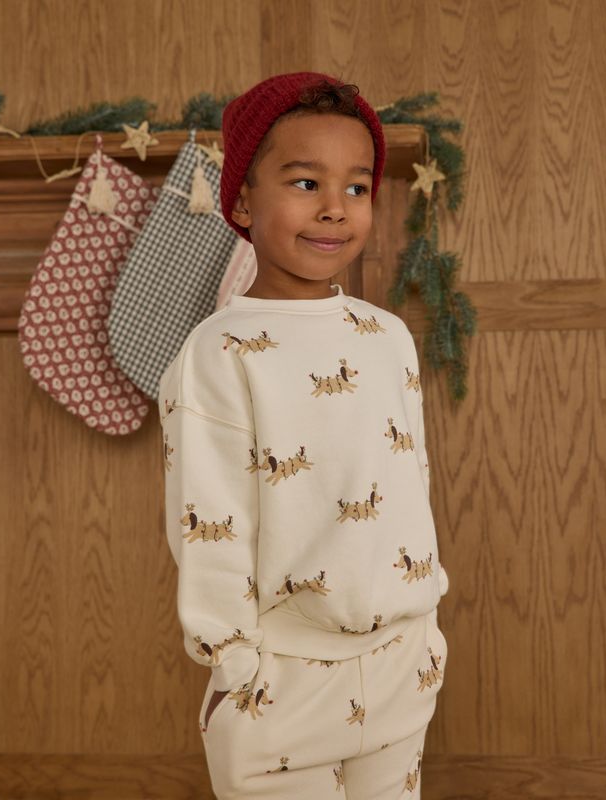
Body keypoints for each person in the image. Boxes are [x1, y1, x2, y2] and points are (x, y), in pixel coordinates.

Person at [158, 71, 450, 799]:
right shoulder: (218, 352)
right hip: (280, 681)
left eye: (356, 188)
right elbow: (210, 520)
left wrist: (427, 625)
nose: (333, 210)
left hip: (400, 662)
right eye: (304, 182)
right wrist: (232, 666)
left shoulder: (386, 338)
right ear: (244, 200)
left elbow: (410, 485)